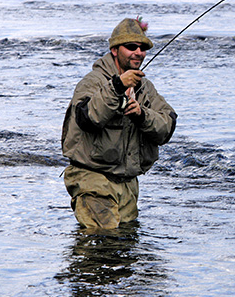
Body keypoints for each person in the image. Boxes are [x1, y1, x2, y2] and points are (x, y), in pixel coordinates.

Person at [61, 17, 177, 229]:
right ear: (115, 50)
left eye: (142, 48)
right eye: (131, 47)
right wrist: (116, 87)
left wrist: (142, 115)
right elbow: (86, 118)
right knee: (103, 243)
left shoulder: (145, 87)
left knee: (125, 248)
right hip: (92, 179)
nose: (138, 52)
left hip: (128, 185)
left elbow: (167, 127)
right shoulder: (93, 82)